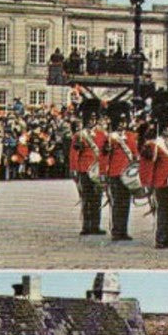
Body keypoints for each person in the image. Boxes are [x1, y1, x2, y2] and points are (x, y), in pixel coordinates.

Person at [139, 92, 168, 249]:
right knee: (163, 212)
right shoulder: (153, 144)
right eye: (165, 128)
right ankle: (161, 238)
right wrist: (147, 183)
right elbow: (147, 165)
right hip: (160, 182)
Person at [101, 101, 137, 241]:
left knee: (126, 203)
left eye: (124, 121)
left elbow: (135, 154)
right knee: (116, 203)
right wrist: (103, 173)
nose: (123, 124)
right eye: (120, 121)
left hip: (128, 173)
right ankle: (116, 230)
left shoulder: (131, 136)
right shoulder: (110, 138)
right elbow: (104, 158)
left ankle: (123, 230)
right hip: (115, 173)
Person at [69, 100, 106, 236]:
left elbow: (104, 153)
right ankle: (86, 225)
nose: (92, 121)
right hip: (84, 169)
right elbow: (74, 154)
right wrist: (74, 169)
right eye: (90, 119)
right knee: (86, 198)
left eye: (94, 119)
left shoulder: (103, 134)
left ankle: (95, 225)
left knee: (97, 198)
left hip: (97, 170)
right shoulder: (79, 135)